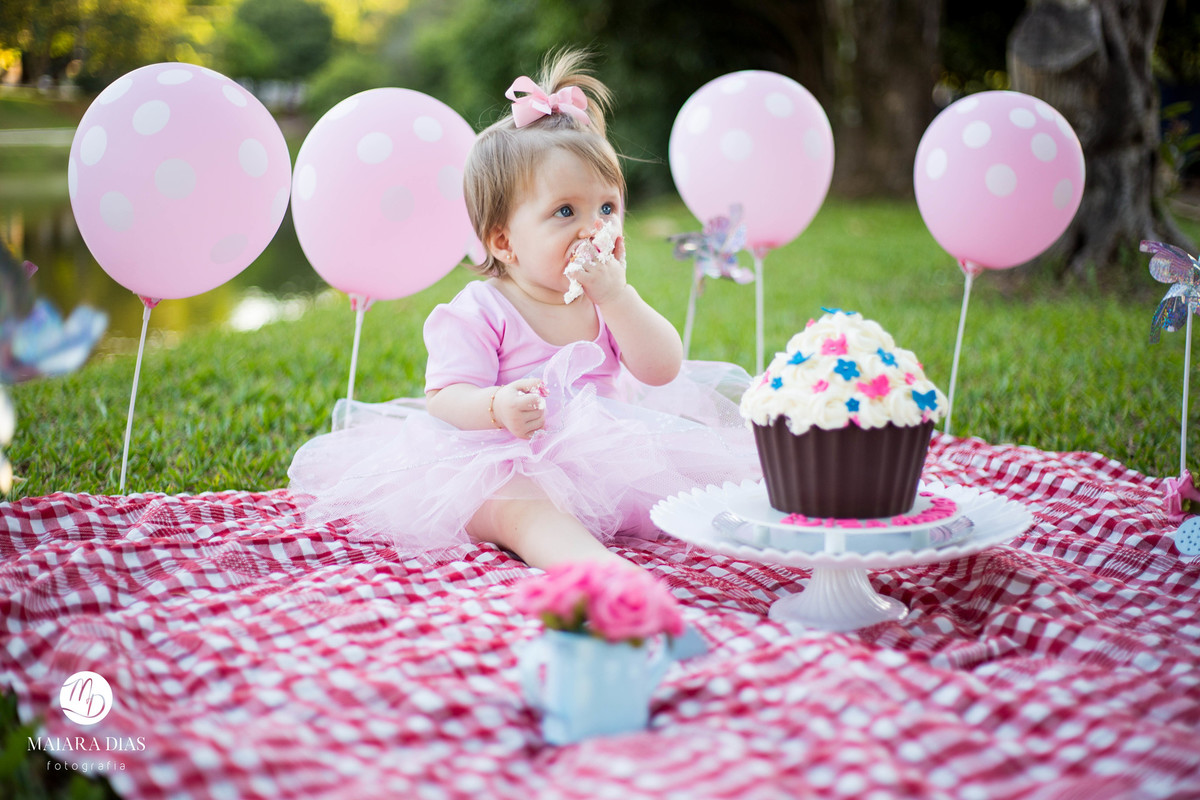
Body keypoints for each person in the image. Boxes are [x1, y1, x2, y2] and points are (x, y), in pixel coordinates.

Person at [288, 49, 760, 568]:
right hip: (504, 456)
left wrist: (618, 296)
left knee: (706, 492)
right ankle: (594, 570)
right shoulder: (482, 309)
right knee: (521, 506)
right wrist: (496, 407)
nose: (592, 227)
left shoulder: (607, 299)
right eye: (564, 211)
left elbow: (662, 367)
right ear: (505, 242)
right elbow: (444, 397)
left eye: (606, 208)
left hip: (608, 458)